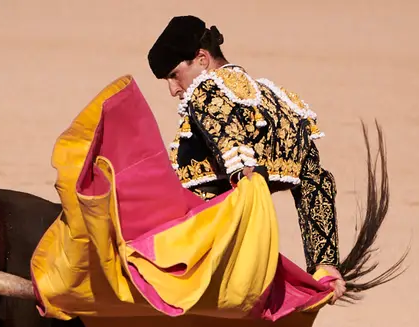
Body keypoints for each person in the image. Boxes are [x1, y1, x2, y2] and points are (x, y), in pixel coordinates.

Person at [147, 15, 347, 303]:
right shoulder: (284, 102)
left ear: (202, 59)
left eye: (174, 75)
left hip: (201, 259)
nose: (173, 90)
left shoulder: (206, 92)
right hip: (247, 262)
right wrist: (325, 263)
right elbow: (315, 182)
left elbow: (239, 160)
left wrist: (244, 180)